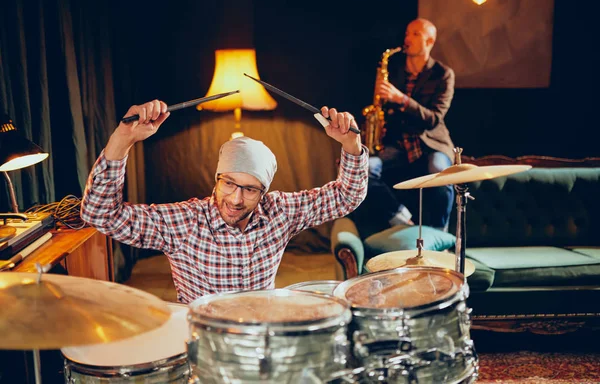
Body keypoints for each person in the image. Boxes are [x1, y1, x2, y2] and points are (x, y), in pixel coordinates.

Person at [80, 100, 368, 304]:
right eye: (228, 183)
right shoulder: (184, 221)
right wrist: (123, 139)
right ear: (216, 179)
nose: (236, 199)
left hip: (259, 336)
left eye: (251, 190)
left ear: (264, 192)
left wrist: (350, 145)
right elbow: (100, 214)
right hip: (203, 342)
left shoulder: (280, 211)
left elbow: (347, 196)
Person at [352, 17, 456, 237]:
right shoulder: (393, 69)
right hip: (398, 145)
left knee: (441, 170)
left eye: (415, 34)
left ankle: (441, 233)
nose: (407, 38)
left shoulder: (443, 74)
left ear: (430, 41)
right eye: (407, 33)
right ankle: (401, 219)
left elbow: (434, 118)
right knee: (364, 170)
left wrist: (401, 99)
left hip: (430, 143)